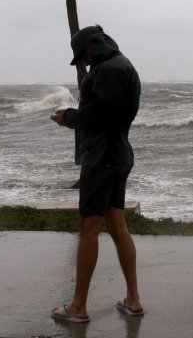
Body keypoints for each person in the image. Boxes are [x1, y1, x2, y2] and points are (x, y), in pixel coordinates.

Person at [50, 25, 144, 323]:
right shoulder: (122, 65)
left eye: (84, 55)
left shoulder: (110, 70)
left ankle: (78, 306)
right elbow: (110, 112)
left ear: (92, 47)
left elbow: (98, 115)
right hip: (118, 155)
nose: (84, 61)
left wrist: (68, 117)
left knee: (89, 229)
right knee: (117, 226)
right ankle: (133, 299)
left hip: (102, 159)